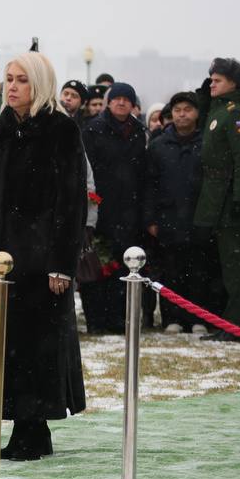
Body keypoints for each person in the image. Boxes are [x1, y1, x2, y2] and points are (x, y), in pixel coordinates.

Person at [0, 52, 87, 461]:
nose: (13, 86)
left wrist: (61, 263)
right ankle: (19, 422)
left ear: (40, 84)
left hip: (40, 262)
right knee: (6, 346)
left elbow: (71, 203)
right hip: (0, 260)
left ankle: (33, 429)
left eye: (22, 80)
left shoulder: (60, 130)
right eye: (10, 79)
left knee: (38, 349)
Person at [193, 57, 240, 341]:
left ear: (233, 82)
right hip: (217, 197)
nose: (211, 84)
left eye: (217, 80)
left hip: (231, 201)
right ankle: (232, 322)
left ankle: (239, 325)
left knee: (237, 267)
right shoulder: (219, 109)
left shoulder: (236, 113)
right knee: (229, 265)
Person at [144, 91, 214, 334]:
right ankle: (171, 318)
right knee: (170, 272)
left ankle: (198, 319)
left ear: (196, 113)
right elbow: (149, 185)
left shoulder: (207, 143)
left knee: (200, 271)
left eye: (187, 109)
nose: (182, 114)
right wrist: (150, 219)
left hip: (199, 218)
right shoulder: (158, 145)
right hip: (168, 219)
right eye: (177, 110)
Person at [81, 82, 148, 333]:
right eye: (116, 98)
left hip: (129, 211)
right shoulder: (93, 129)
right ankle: (96, 322)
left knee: (123, 267)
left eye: (126, 99)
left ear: (133, 104)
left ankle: (120, 320)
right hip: (100, 209)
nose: (121, 103)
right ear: (109, 102)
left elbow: (143, 171)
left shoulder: (139, 131)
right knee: (97, 268)